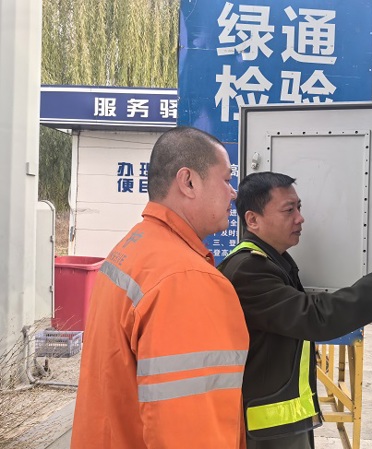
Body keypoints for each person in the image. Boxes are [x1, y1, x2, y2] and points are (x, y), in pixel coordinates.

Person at [71, 127, 249, 449]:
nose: (233, 193)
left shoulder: (133, 248)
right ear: (188, 182)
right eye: (226, 179)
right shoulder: (187, 279)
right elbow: (191, 433)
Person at [218, 172, 372, 449]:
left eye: (299, 208)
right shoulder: (249, 269)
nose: (300, 218)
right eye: (289, 210)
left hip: (276, 424)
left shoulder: (273, 261)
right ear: (252, 220)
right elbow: (317, 318)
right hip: (264, 430)